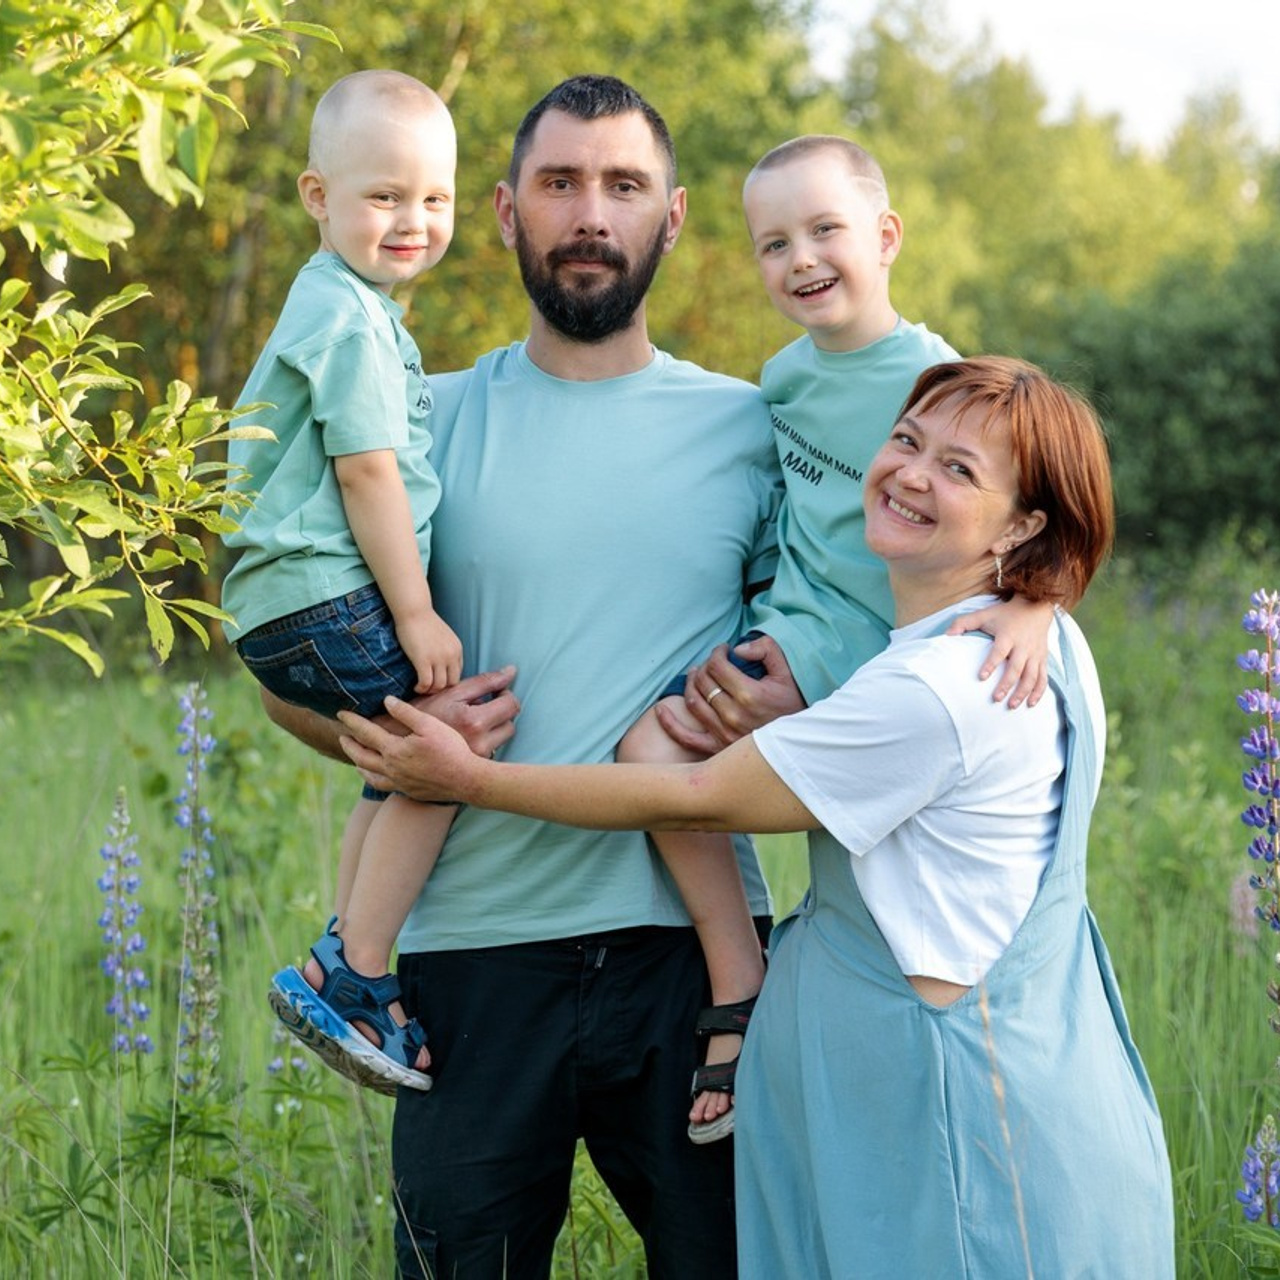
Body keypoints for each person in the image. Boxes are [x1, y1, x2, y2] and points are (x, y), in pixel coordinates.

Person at [338, 357, 1177, 1279]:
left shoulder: (944, 687)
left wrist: (467, 778)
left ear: (1023, 525)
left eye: (959, 469)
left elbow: (694, 796)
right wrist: (1041, 599)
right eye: (905, 441)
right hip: (1008, 1114)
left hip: (961, 1142)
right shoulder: (1029, 646)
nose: (911, 472)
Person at [260, 74, 784, 1277]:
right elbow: (287, 665)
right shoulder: (408, 421)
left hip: (690, 967)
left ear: (673, 214)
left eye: (622, 185)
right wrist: (389, 728)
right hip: (467, 958)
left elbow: (842, 631)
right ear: (501, 212)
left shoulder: (752, 428)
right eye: (558, 183)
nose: (589, 212)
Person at [616, 134, 1052, 1141]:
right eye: (772, 242)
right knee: (644, 748)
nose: (799, 257)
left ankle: (796, 1018)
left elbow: (1037, 502)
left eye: (824, 230)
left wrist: (1036, 602)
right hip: (787, 631)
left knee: (799, 829)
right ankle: (740, 971)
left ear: (884, 236)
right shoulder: (781, 378)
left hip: (876, 656)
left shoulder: (940, 380)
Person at [219, 70, 463, 1093]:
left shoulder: (335, 301)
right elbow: (365, 469)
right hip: (329, 593)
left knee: (385, 766)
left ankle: (341, 949)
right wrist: (415, 611)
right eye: (384, 196)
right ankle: (358, 972)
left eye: (433, 199)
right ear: (318, 197)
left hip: (282, 603)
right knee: (445, 752)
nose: (411, 220)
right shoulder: (352, 319)